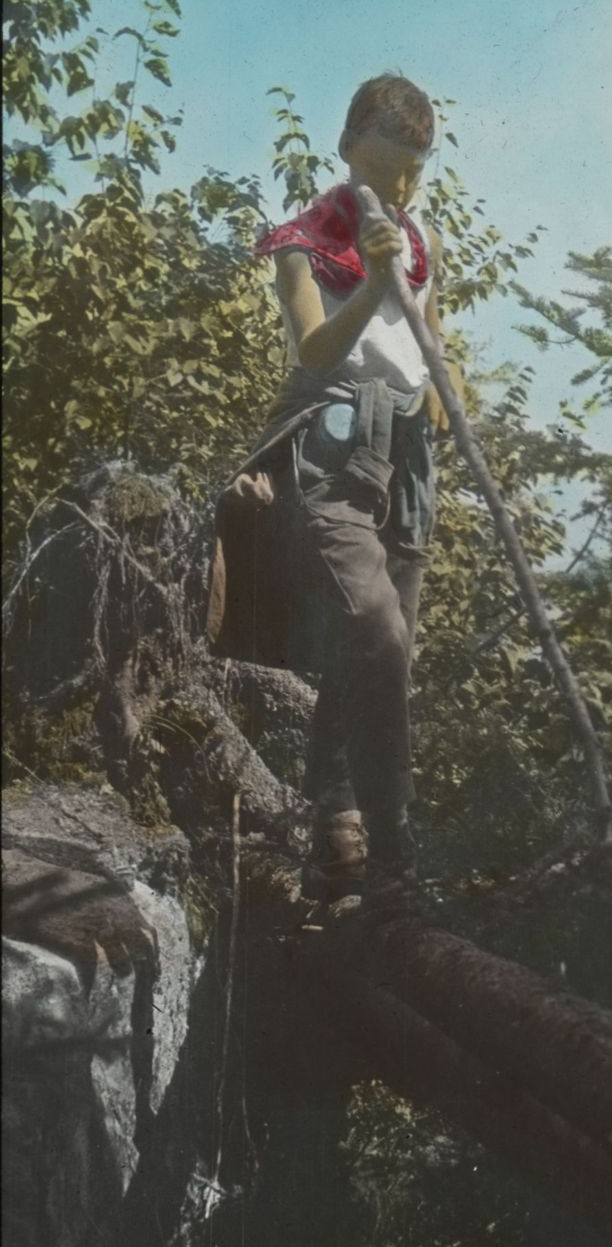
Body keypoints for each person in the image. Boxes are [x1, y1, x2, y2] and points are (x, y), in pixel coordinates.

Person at [206, 74, 462, 909]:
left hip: (409, 458)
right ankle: (390, 852)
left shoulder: (418, 243)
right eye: (387, 167)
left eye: (413, 172)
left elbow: (428, 345)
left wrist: (447, 394)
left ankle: (337, 842)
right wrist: (376, 286)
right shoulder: (303, 238)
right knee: (375, 631)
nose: (399, 189)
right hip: (331, 446)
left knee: (384, 657)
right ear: (350, 145)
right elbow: (312, 349)